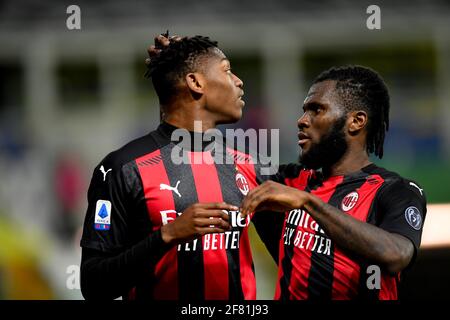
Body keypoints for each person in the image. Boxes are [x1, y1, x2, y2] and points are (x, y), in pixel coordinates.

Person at [80, 34, 270, 300]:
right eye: (227, 70)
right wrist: (167, 235)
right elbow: (93, 285)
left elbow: (298, 259)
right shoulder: (121, 168)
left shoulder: (252, 165)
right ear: (195, 82)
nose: (239, 81)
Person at [240, 65, 427, 300]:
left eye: (316, 110)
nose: (302, 120)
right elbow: (224, 161)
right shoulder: (289, 181)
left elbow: (396, 255)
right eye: (304, 110)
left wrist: (309, 203)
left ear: (356, 121)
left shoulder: (394, 190)